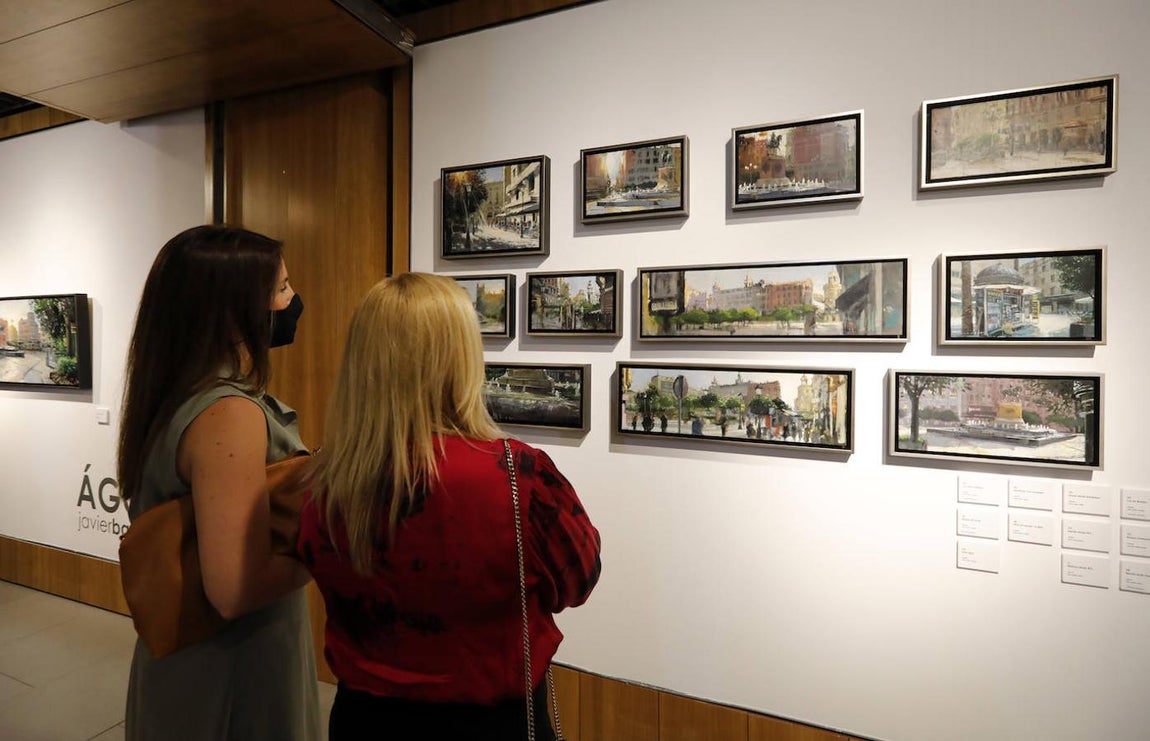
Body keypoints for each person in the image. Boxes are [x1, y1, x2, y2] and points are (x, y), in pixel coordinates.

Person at [297, 273, 601, 741]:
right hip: (491, 722)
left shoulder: (324, 480)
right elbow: (577, 581)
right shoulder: (519, 474)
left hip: (363, 719)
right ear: (460, 358)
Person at [117, 225, 320, 740]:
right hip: (232, 666)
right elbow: (233, 589)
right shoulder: (227, 412)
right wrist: (329, 550)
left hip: (197, 660)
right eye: (281, 289)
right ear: (231, 309)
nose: (294, 300)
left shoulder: (175, 392)